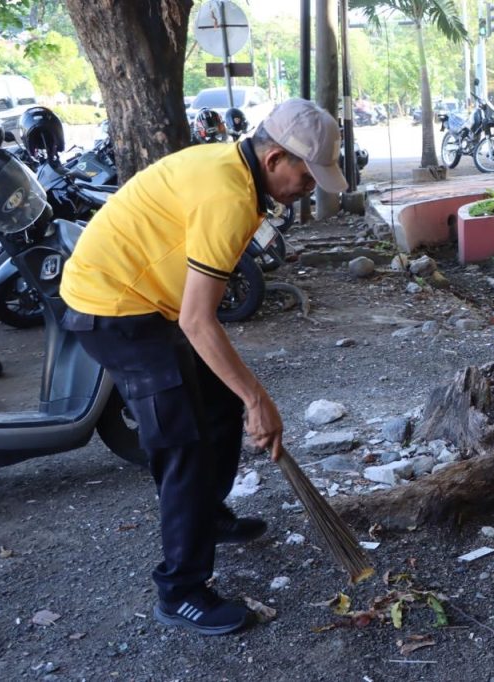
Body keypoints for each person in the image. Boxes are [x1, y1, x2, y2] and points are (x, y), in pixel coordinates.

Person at [59, 98, 348, 636]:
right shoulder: (228, 196)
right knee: (183, 442)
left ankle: (207, 517)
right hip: (113, 308)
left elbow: (198, 311)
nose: (310, 187)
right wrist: (259, 399)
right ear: (275, 158)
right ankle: (181, 591)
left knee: (216, 404)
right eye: (307, 175)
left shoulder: (237, 176)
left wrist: (241, 393)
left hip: (149, 302)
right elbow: (198, 319)